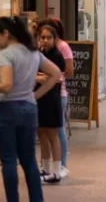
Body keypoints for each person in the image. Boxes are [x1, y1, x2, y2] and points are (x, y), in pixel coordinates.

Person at [0, 16, 62, 202]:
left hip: (6, 110)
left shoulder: (6, 54)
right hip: (29, 110)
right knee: (29, 160)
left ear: (6, 34)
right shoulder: (33, 52)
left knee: (8, 160)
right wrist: (35, 95)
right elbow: (56, 74)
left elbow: (6, 86)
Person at [35, 23, 66, 183]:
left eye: (48, 38)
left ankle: (56, 171)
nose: (45, 40)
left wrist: (39, 77)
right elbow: (38, 76)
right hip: (40, 99)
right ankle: (45, 168)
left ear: (55, 39)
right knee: (41, 133)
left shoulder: (56, 56)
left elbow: (52, 78)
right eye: (42, 37)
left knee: (53, 135)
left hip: (52, 99)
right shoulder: (40, 53)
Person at [44, 18, 73, 178]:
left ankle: (62, 164)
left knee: (58, 129)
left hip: (58, 92)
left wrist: (52, 76)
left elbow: (69, 70)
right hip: (48, 92)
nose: (44, 39)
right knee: (47, 130)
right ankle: (50, 165)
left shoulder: (62, 47)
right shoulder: (45, 50)